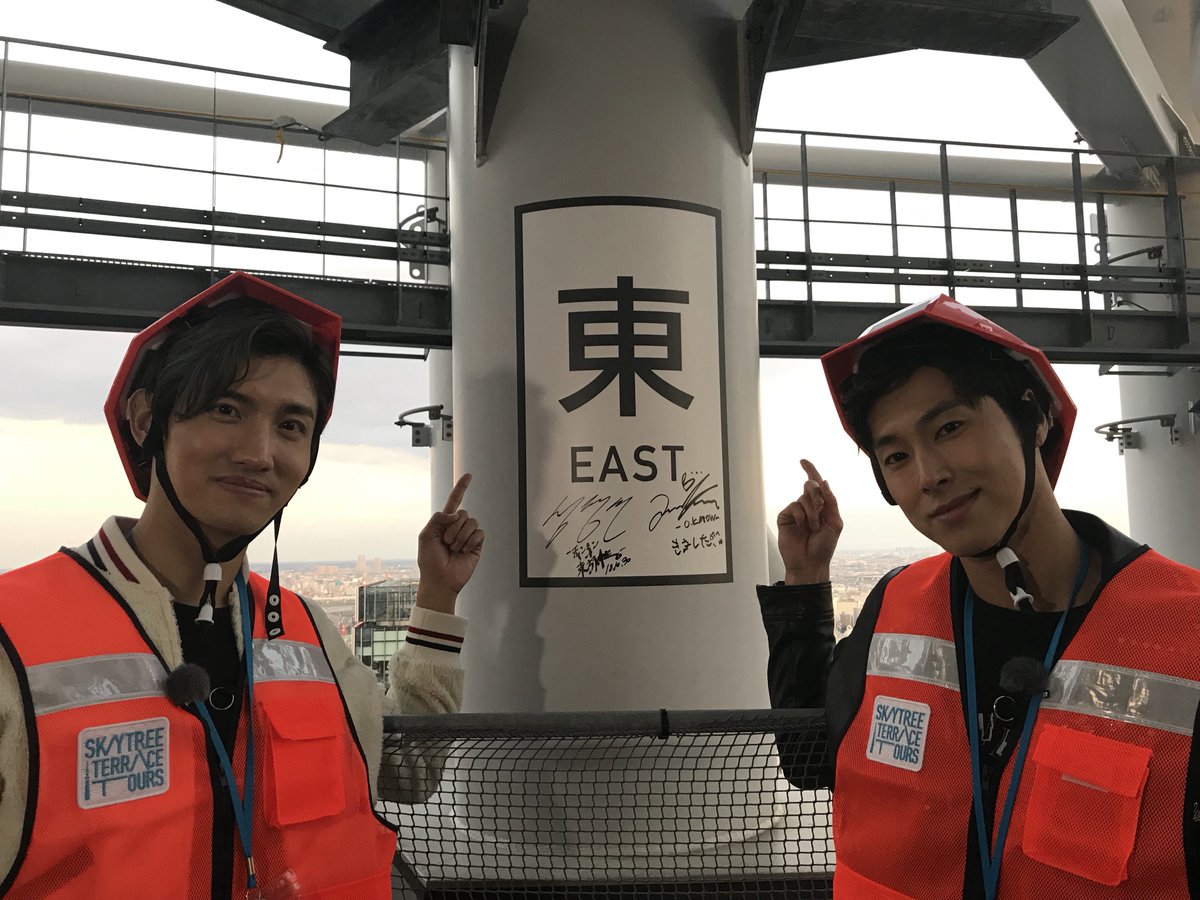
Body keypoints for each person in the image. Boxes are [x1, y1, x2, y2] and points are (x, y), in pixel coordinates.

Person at [0, 272, 484, 898]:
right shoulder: (15, 635)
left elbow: (405, 773)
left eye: (291, 426)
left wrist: (437, 596)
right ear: (147, 418)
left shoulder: (310, 637)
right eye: (227, 409)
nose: (260, 452)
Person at [759, 295, 1200, 899]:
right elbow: (811, 756)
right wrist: (805, 583)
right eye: (896, 456)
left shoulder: (1186, 629)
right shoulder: (896, 602)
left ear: (1035, 417)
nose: (928, 474)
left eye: (950, 427)